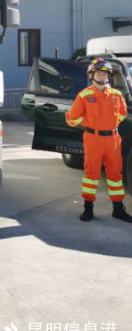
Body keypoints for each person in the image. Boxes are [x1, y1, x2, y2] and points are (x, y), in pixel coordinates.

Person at [66, 57, 132, 223]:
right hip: (93, 139)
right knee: (92, 175)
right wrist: (91, 123)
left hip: (113, 140)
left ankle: (118, 209)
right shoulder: (84, 95)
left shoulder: (117, 95)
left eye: (105, 73)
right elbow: (73, 119)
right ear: (91, 75)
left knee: (116, 174)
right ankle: (88, 209)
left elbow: (122, 113)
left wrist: (111, 124)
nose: (102, 76)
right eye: (99, 73)